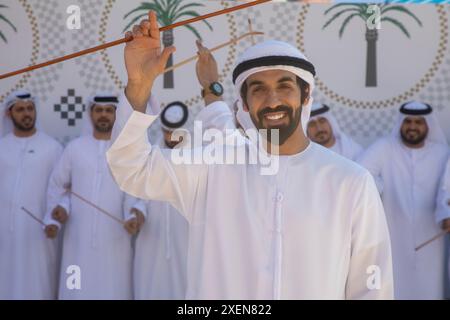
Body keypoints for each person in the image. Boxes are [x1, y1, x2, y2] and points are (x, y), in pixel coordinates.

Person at [106, 11, 393, 299]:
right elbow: (133, 168)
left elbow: (371, 288)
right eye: (258, 90)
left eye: (284, 86)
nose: (272, 100)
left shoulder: (350, 182)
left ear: (306, 96)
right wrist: (139, 85)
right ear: (244, 103)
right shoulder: (211, 170)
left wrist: (209, 88)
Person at [45, 94, 135, 299]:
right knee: (76, 290)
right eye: (99, 110)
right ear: (90, 114)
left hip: (115, 239)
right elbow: (58, 186)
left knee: (114, 290)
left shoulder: (127, 150)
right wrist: (58, 212)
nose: (103, 115)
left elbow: (134, 191)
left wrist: (133, 215)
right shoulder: (75, 148)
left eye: (109, 110)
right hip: (78, 240)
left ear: (116, 115)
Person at [358, 101, 449, 299]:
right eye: (407, 121)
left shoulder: (442, 153)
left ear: (428, 125)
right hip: (393, 238)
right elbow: (361, 175)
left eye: (419, 122)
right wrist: (378, 189)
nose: (413, 126)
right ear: (400, 123)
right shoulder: (385, 148)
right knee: (394, 287)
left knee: (431, 289)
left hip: (432, 241)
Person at [0, 90, 62, 299]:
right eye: (20, 109)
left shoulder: (52, 148)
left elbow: (61, 191)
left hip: (39, 233)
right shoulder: (2, 148)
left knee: (38, 284)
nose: (26, 113)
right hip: (4, 235)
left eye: (30, 108)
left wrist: (54, 220)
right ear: (9, 114)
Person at [130, 103, 190, 299]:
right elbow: (140, 196)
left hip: (186, 241)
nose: (172, 136)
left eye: (176, 131)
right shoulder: (150, 157)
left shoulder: (198, 157)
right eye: (168, 131)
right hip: (152, 240)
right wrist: (138, 212)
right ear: (163, 130)